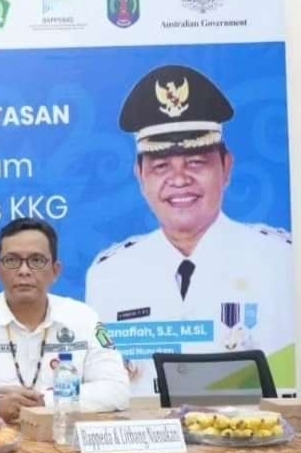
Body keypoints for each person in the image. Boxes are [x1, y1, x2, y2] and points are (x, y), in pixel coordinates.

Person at [86, 64, 294, 395]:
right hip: (146, 429)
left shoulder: (282, 260)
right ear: (140, 177)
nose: (180, 180)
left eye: (196, 163)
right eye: (161, 166)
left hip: (254, 427)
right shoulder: (108, 275)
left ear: (226, 168)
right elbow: (103, 380)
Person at [0, 218, 129, 423]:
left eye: (36, 260)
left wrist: (45, 401)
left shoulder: (83, 318)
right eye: (12, 261)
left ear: (55, 271)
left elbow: (117, 390)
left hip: (62, 437)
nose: (24, 271)